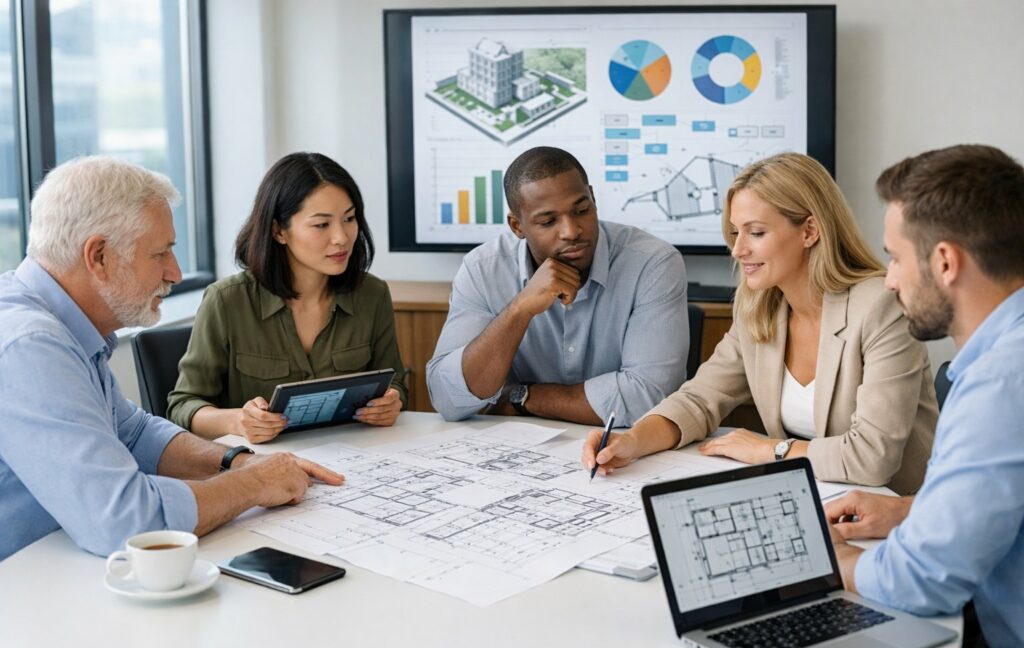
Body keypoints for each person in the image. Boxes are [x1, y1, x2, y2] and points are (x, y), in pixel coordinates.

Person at [0, 156, 344, 562]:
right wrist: (253, 486)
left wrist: (238, 462)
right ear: (99, 257)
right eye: (160, 253)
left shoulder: (67, 325)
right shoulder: (30, 345)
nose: (176, 273)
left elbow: (133, 433)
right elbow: (124, 521)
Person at [582, 152, 937, 494]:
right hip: (814, 494)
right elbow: (699, 400)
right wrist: (631, 440)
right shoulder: (758, 306)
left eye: (756, 233)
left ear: (809, 231)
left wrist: (772, 450)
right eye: (736, 233)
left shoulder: (881, 307)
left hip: (893, 511)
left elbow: (872, 459)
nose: (737, 251)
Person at [824, 144, 1024, 648]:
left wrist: (842, 564)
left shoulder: (1003, 381)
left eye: (894, 257)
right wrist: (914, 509)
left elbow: (925, 580)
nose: (889, 279)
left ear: (944, 262)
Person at [426, 146, 688, 427]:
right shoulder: (483, 269)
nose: (571, 231)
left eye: (582, 210)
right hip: (517, 450)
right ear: (517, 226)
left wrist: (522, 397)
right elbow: (448, 399)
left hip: (621, 448)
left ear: (594, 199)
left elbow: (649, 397)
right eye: (548, 221)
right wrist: (520, 309)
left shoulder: (653, 262)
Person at [167, 153, 407, 443]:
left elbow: (395, 383)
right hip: (261, 470)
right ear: (279, 230)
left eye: (349, 218)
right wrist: (237, 421)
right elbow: (183, 406)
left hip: (356, 460)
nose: (342, 237)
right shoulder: (226, 301)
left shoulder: (373, 295)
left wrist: (393, 401)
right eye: (322, 225)